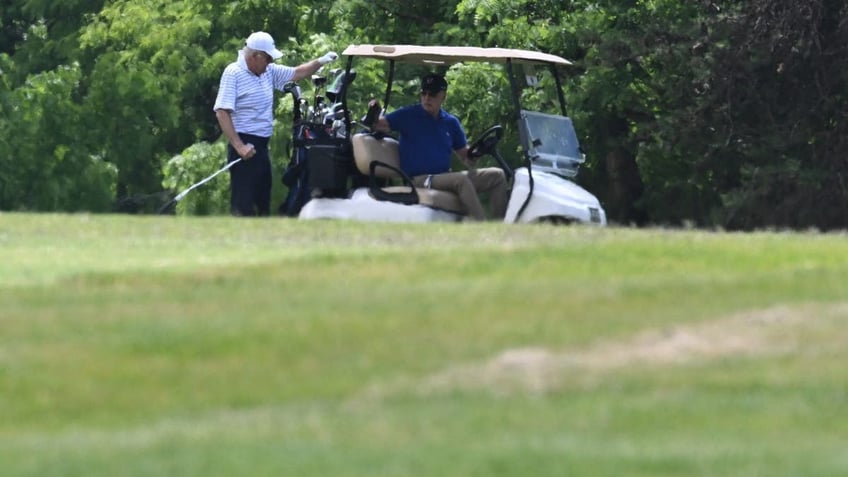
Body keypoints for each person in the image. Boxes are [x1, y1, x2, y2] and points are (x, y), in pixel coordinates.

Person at [213, 31, 337, 216]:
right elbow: (222, 112)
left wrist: (321, 61)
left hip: (261, 145)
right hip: (243, 143)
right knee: (244, 204)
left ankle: (261, 241)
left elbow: (297, 73)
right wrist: (239, 146)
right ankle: (240, 241)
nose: (271, 62)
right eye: (268, 58)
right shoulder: (234, 73)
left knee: (263, 199)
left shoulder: (267, 71)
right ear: (256, 56)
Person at [370, 73, 507, 221]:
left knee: (497, 175)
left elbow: (466, 158)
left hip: (443, 177)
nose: (427, 98)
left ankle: (500, 225)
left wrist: (479, 151)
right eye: (424, 93)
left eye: (433, 94)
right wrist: (373, 112)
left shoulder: (450, 122)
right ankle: (484, 228)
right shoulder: (408, 115)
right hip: (420, 179)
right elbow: (378, 124)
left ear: (443, 96)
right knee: (460, 180)